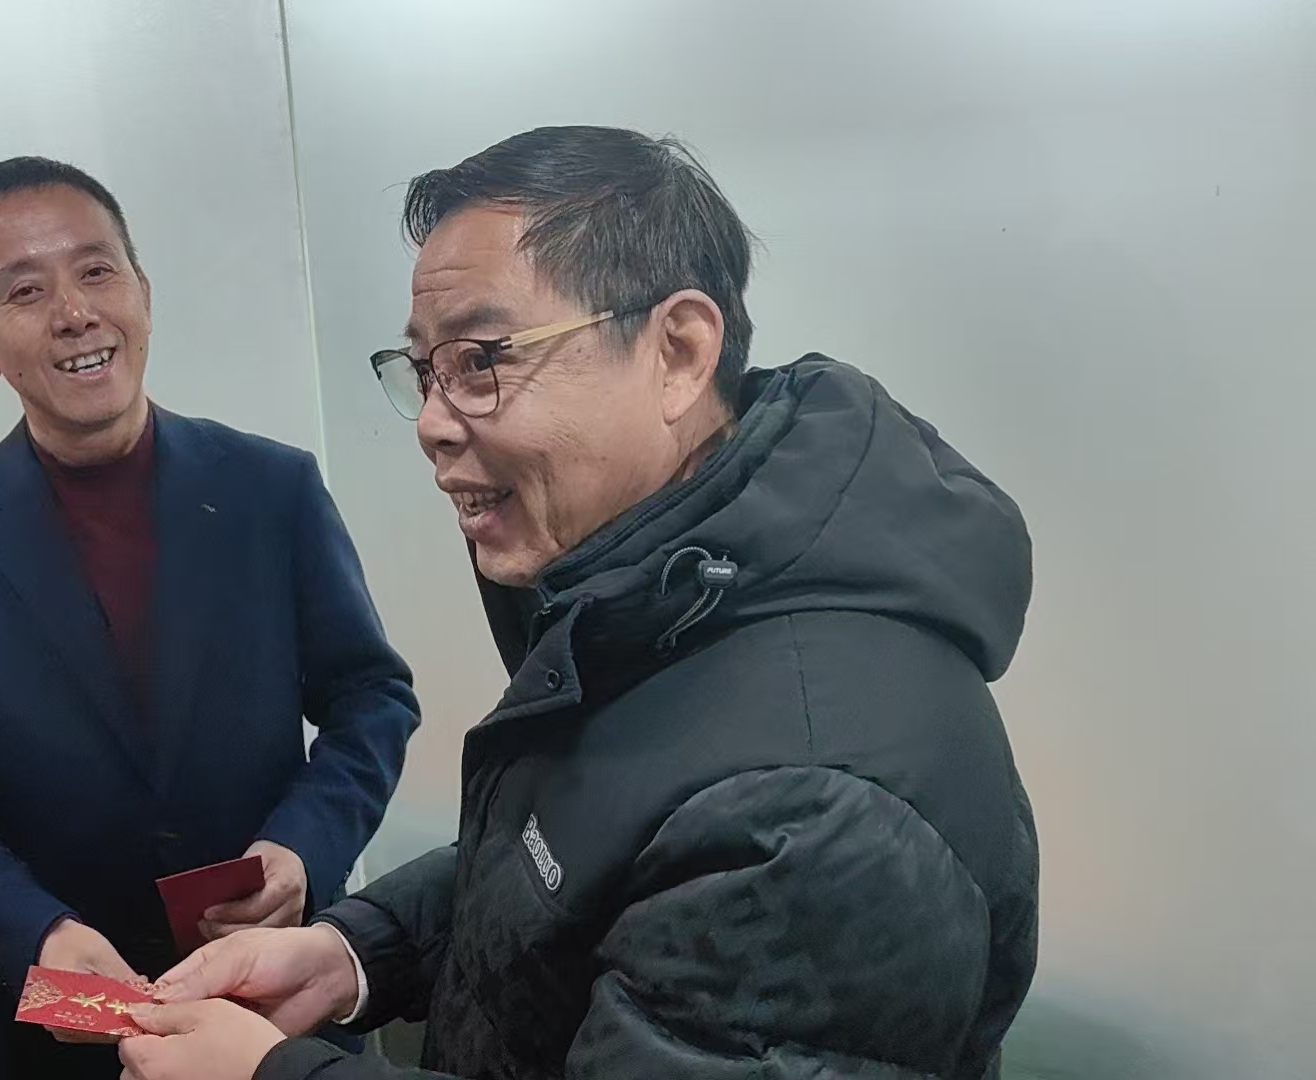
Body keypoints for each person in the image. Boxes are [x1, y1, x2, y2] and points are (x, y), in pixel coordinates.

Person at [118, 125, 1039, 1080]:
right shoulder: (653, 596)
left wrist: (271, 1075)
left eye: (480, 360)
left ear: (677, 352)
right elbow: (566, 866)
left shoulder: (811, 802)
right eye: (424, 370)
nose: (431, 423)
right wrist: (357, 953)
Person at [0, 156, 421, 1079]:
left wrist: (301, 850)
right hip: (64, 1024)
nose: (74, 312)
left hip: (268, 989)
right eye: (25, 290)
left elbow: (371, 699)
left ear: (143, 293)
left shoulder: (269, 488)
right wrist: (36, 931)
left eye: (96, 270)